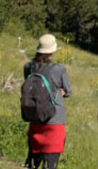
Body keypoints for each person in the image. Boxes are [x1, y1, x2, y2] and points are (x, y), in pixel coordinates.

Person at [24, 34, 72, 169]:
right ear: (52, 52)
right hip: (54, 119)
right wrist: (61, 91)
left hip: (35, 117)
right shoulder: (59, 69)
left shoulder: (28, 67)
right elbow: (68, 91)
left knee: (33, 159)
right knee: (50, 163)